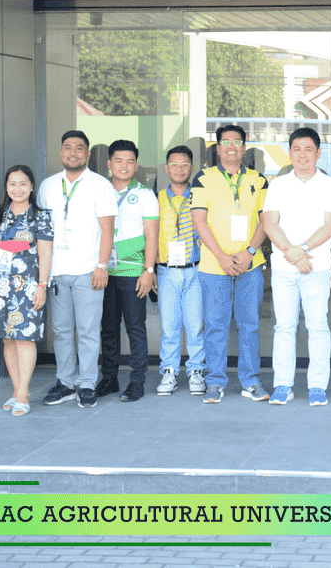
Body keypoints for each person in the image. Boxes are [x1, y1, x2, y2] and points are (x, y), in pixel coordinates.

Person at [262, 127, 331, 406]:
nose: (302, 155)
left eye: (308, 149)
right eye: (296, 149)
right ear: (289, 152)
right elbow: (269, 223)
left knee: (317, 326)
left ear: (318, 153)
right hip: (285, 268)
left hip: (316, 267)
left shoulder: (330, 185)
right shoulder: (278, 184)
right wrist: (293, 254)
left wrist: (303, 250)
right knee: (283, 327)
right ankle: (283, 384)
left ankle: (317, 386)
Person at [38, 130, 119, 409]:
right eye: (68, 148)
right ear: (61, 153)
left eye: (79, 148)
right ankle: (65, 382)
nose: (73, 153)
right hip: (56, 272)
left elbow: (108, 229)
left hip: (88, 270)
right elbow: (40, 232)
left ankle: (86, 383)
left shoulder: (100, 185)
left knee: (87, 331)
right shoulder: (48, 186)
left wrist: (101, 266)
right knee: (61, 330)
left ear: (87, 154)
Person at [192, 126, 270, 403]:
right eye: (226, 142)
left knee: (249, 326)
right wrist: (222, 257)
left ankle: (250, 381)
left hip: (250, 264)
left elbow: (265, 221)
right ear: (217, 147)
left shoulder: (258, 180)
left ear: (244, 148)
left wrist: (249, 251)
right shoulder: (203, 178)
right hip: (215, 266)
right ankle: (214, 381)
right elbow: (199, 220)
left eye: (237, 142)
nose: (231, 146)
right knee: (215, 325)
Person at [95, 140, 159, 403]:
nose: (124, 165)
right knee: (107, 327)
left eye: (130, 161)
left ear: (136, 165)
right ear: (109, 163)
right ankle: (109, 378)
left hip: (133, 271)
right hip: (103, 271)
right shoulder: (98, 191)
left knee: (135, 327)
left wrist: (149, 270)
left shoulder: (144, 194)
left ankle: (137, 381)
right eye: (119, 160)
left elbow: (151, 235)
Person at [0, 165, 53, 417]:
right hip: (0, 287)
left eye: (23, 183)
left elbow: (45, 253)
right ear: (6, 187)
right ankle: (16, 390)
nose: (17, 188)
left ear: (32, 186)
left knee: (25, 337)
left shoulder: (41, 216)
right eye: (12, 184)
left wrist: (41, 285)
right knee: (8, 338)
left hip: (28, 286)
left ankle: (24, 393)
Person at [154, 145, 207, 398]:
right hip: (166, 271)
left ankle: (196, 371)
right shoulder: (157, 198)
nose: (179, 169)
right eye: (174, 164)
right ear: (166, 168)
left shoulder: (199, 196)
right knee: (170, 326)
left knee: (195, 325)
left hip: (195, 270)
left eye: (184, 164)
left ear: (192, 168)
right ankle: (170, 371)